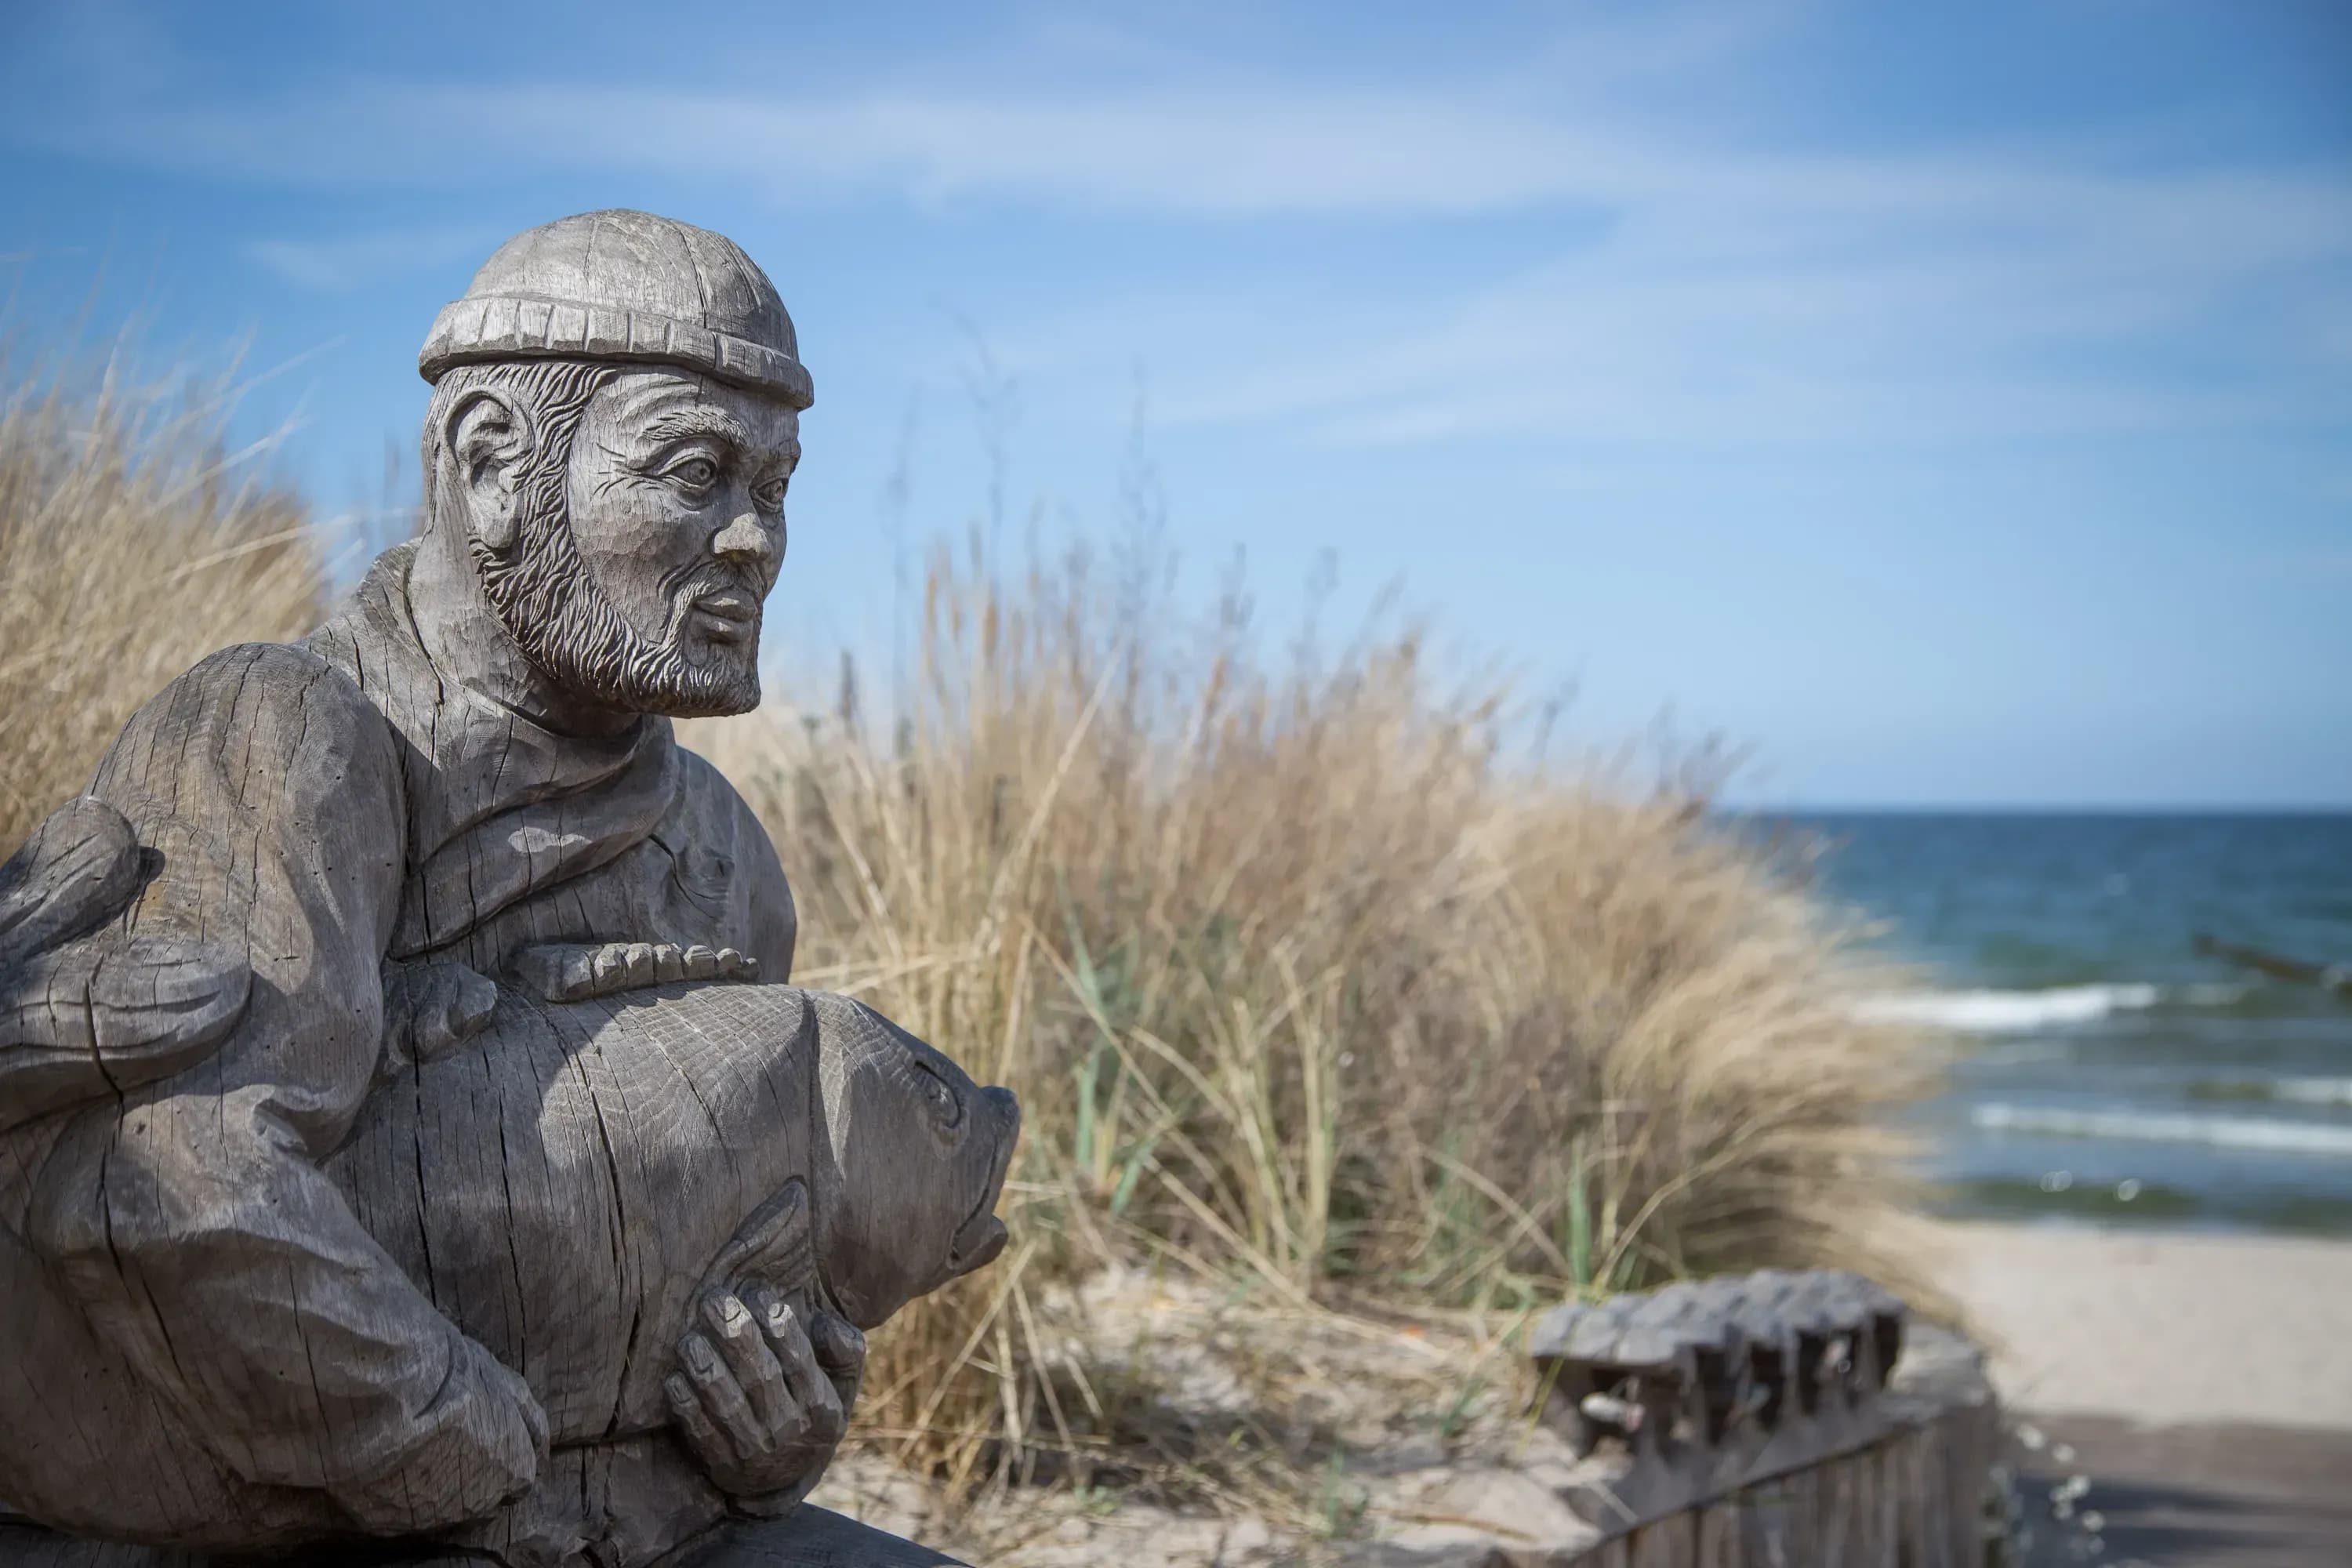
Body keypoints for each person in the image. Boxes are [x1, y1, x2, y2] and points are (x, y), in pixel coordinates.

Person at [0, 211, 860, 1546]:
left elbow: (743, 1261)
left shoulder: (725, 864)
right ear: (493, 463)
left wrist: (780, 1419)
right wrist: (450, 1438)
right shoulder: (285, 733)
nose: (753, 539)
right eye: (697, 473)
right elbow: (167, 1184)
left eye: (777, 486)